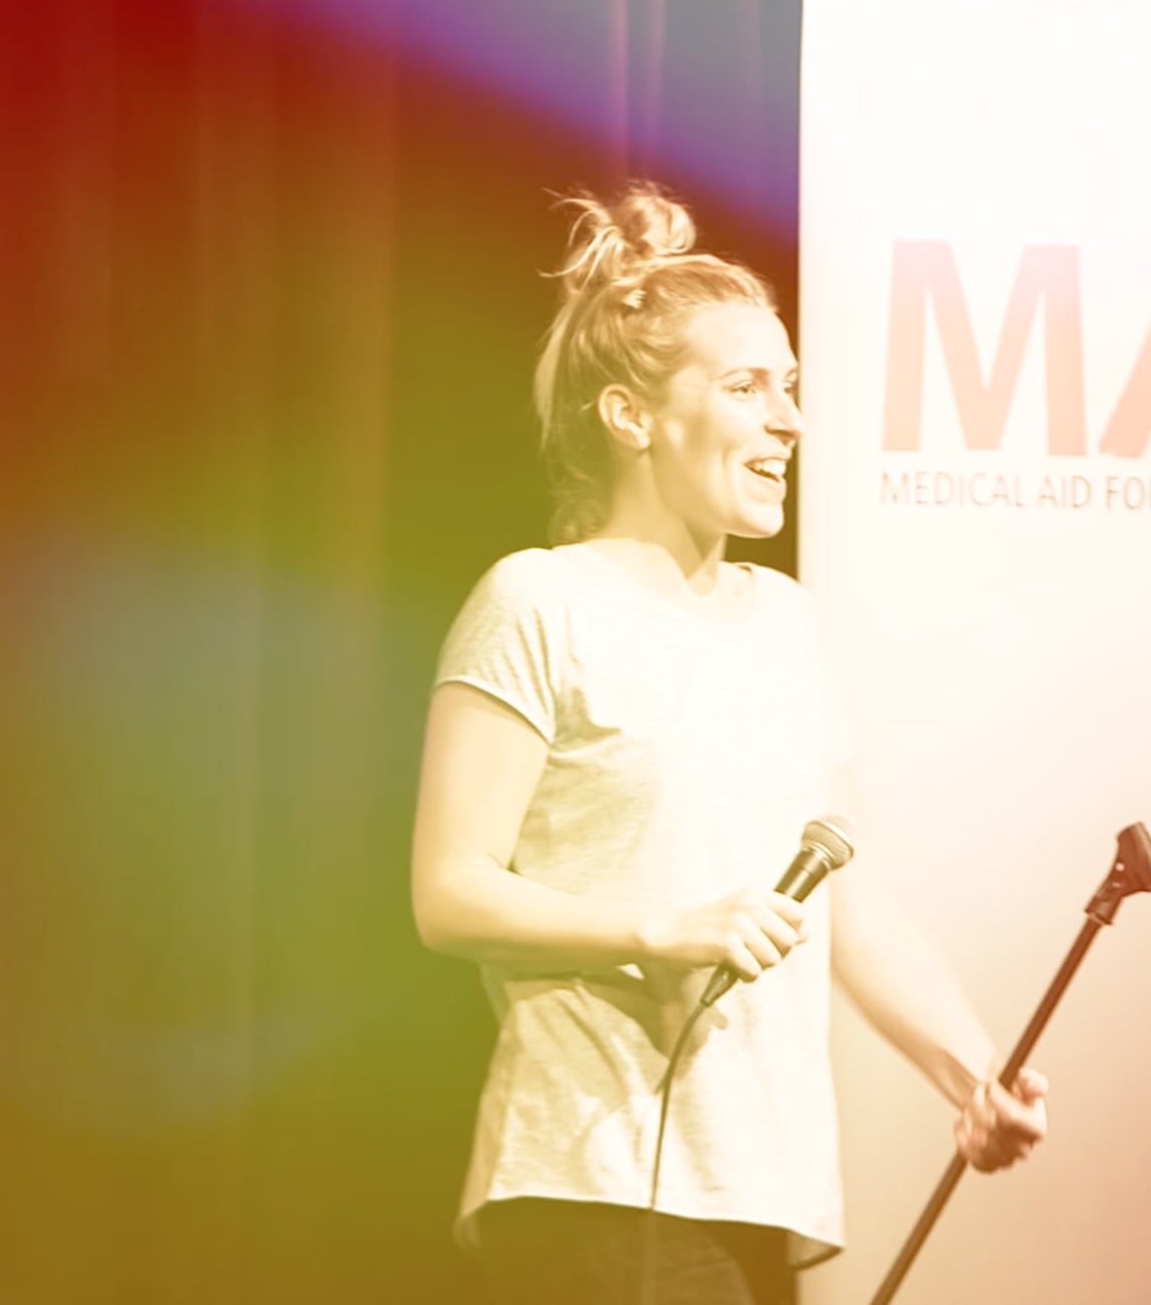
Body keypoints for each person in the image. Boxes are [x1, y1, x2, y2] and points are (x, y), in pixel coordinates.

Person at [410, 182, 1048, 1305]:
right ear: (631, 416)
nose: (788, 421)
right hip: (594, 1177)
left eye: (789, 387)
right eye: (746, 387)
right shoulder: (540, 601)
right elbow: (449, 891)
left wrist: (972, 1072)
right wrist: (656, 928)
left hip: (765, 1189)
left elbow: (846, 900)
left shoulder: (789, 623)